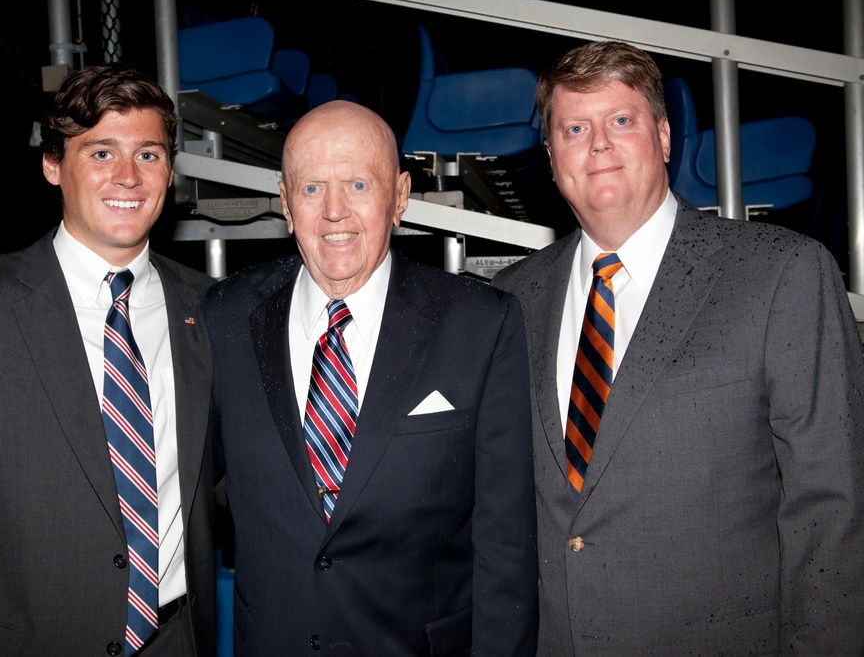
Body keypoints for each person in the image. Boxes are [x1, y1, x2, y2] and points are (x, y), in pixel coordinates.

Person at [493, 40, 864, 654]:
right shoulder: (512, 299)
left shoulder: (779, 274)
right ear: (553, 157)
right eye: (574, 128)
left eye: (621, 120)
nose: (599, 144)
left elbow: (834, 510)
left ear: (664, 138)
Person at [0, 64, 218, 656]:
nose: (128, 177)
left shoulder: (211, 309)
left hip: (177, 641)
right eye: (101, 152)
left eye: (150, 155)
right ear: (53, 165)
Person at [203, 100, 538, 655]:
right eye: (312, 188)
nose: (334, 211)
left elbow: (505, 545)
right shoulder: (224, 316)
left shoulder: (481, 324)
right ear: (285, 202)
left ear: (400, 196)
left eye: (359, 184)